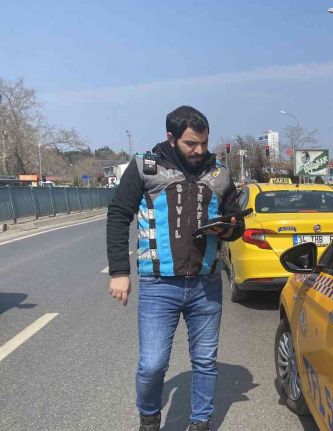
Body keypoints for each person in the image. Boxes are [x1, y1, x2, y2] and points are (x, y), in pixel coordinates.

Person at [106, 106, 244, 431]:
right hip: (159, 285)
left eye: (204, 143)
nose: (199, 150)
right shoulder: (145, 167)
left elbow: (235, 220)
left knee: (205, 361)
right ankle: (149, 417)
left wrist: (229, 228)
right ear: (171, 138)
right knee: (152, 365)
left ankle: (201, 422)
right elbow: (118, 215)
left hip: (206, 284)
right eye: (191, 144)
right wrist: (119, 272)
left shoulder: (220, 174)